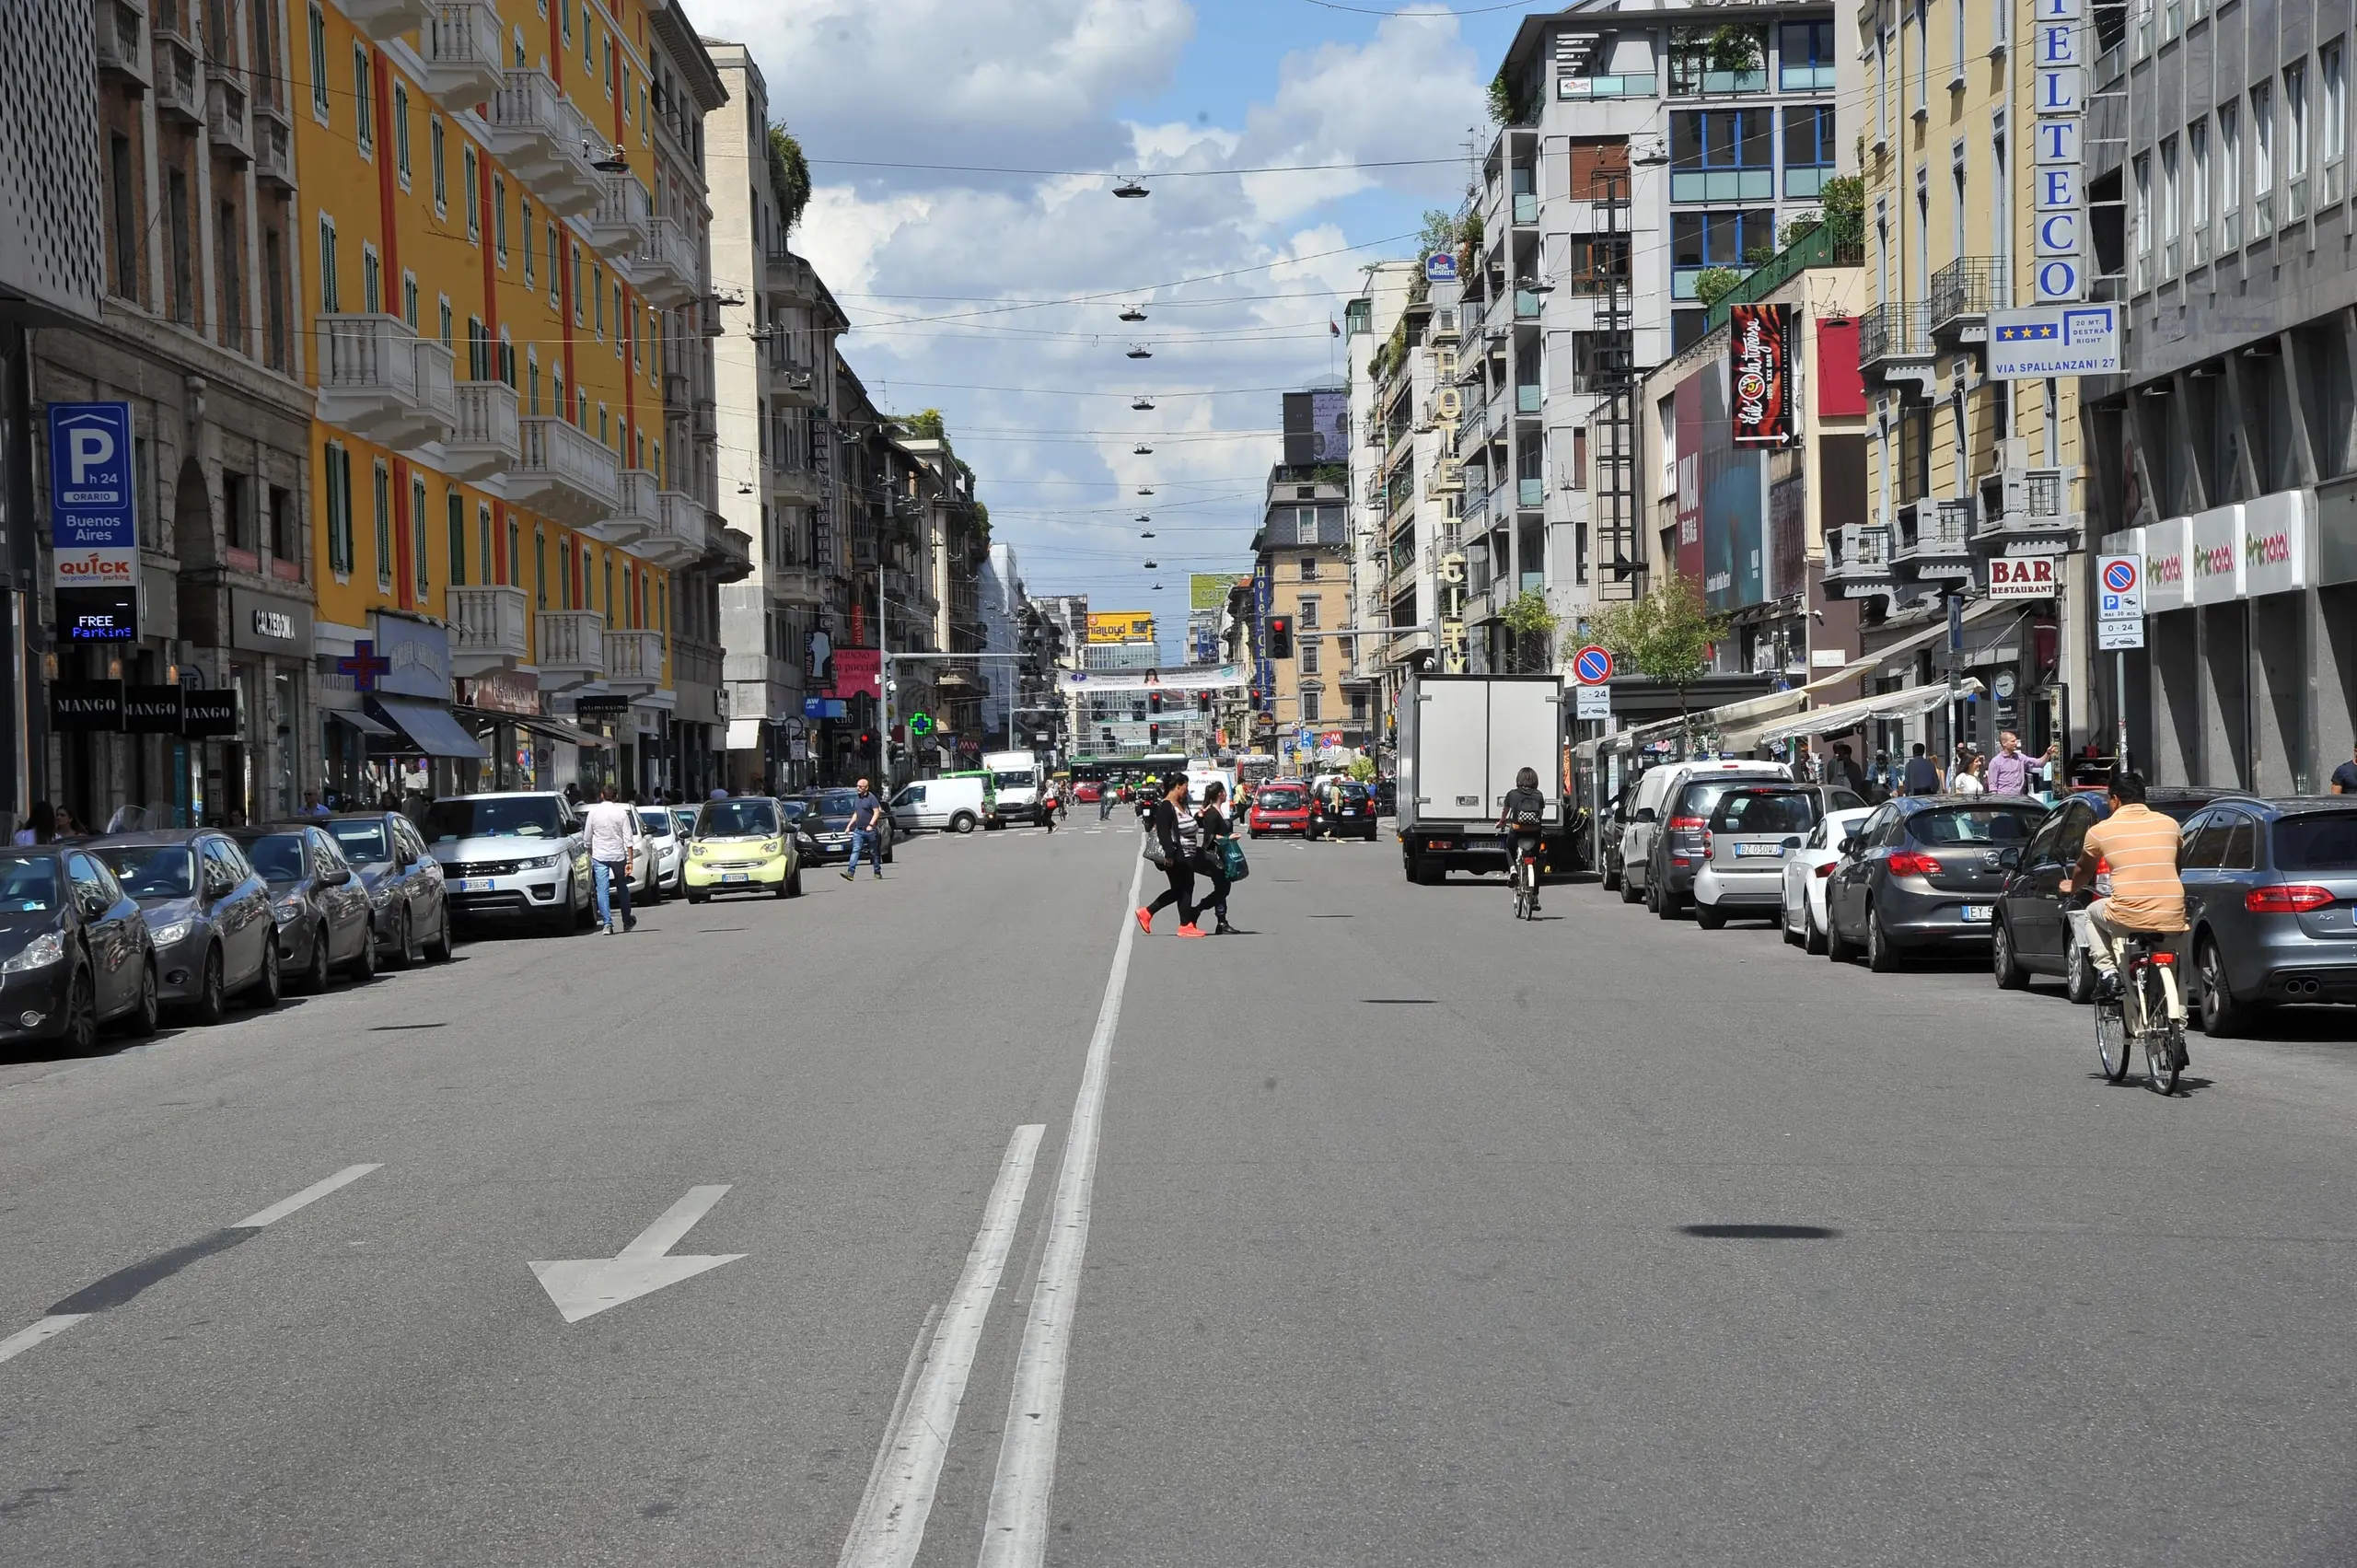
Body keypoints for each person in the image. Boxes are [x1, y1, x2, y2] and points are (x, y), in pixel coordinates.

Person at [2061, 771, 2186, 1008]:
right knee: (2174, 967)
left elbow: (2083, 870)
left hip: (2126, 912)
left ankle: (2108, 972)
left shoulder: (2101, 831)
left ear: (2116, 799)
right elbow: (2177, 868)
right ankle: (2177, 1026)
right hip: (2171, 912)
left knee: (2090, 913)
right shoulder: (2171, 825)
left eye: (2109, 799)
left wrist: (2072, 887)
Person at [1136, 776, 1204, 936]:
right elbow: (1163, 832)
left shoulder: (1181, 805)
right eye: (1186, 786)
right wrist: (1169, 854)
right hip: (1177, 855)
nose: (1187, 789)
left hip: (1186, 853)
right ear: (1178, 786)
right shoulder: (1166, 806)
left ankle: (1150, 913)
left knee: (1181, 889)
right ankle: (1183, 924)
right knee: (1185, 889)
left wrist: (1198, 819)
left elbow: (1186, 827)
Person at [580, 784, 638, 935]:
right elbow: (628, 838)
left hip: (599, 855)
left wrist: (590, 852)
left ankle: (607, 924)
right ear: (616, 796)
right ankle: (626, 920)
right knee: (622, 887)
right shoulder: (621, 813)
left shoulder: (593, 813)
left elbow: (587, 838)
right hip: (618, 855)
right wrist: (630, 860)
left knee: (602, 890)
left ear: (602, 795)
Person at [1496, 765, 1549, 912]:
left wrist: (1502, 822)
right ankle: (1535, 897)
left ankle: (1513, 869)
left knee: (1509, 848)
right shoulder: (1539, 795)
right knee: (1535, 860)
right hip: (1534, 831)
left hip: (1518, 831)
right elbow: (1541, 813)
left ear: (1518, 779)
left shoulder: (1512, 794)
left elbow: (1505, 813)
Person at [1194, 781, 1237, 935]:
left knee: (1222, 888)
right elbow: (1209, 837)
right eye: (1225, 792)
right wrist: (1228, 837)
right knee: (1223, 888)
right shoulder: (1212, 813)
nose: (1226, 794)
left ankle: (1221, 922)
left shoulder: (1216, 811)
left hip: (1222, 854)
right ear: (1220, 793)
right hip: (1213, 856)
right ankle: (1200, 911)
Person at [842, 776, 886, 881]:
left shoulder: (871, 798)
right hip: (859, 830)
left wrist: (870, 825)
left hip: (870, 831)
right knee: (855, 850)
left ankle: (877, 871)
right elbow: (856, 813)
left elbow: (877, 812)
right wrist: (849, 826)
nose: (858, 788)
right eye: (857, 786)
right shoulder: (857, 798)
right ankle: (850, 872)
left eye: (860, 787)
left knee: (873, 852)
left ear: (866, 788)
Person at [1985, 731, 2036, 796]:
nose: (2016, 743)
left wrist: (2048, 753)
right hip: (2004, 800)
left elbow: (2038, 763)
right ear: (2004, 743)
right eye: (2013, 741)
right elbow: (1993, 787)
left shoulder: (2020, 757)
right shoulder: (1995, 761)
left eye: (2016, 740)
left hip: (2019, 799)